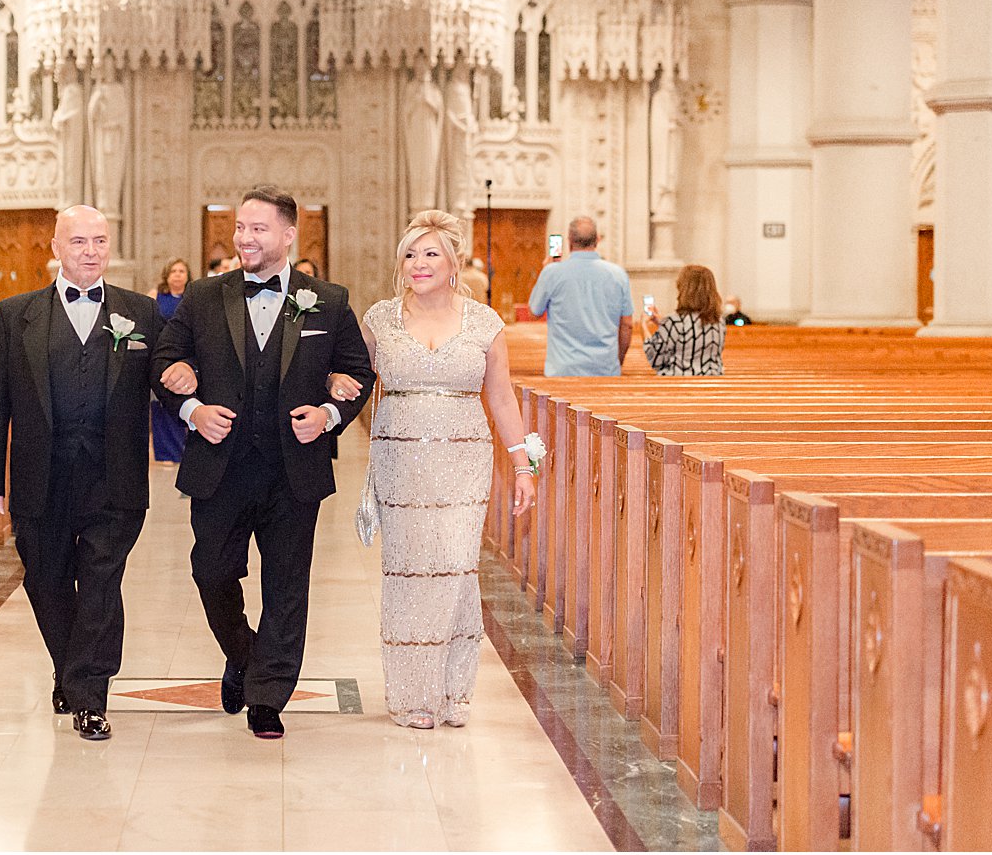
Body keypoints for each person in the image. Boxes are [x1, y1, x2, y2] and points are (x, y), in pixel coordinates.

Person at [152, 185, 375, 740]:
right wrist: (190, 407)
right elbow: (164, 358)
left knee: (287, 585)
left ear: (288, 234)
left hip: (292, 470)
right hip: (219, 467)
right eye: (240, 228)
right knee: (211, 571)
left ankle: (268, 697)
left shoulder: (329, 300)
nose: (244, 238)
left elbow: (358, 373)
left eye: (257, 229)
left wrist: (326, 415)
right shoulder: (204, 297)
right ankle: (242, 653)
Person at [332, 211, 535, 728]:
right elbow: (351, 375)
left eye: (430, 254)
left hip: (465, 459)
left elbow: (504, 399)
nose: (418, 264)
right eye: (409, 254)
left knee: (456, 568)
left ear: (453, 264)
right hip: (400, 461)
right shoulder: (379, 319)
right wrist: (331, 393)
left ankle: (453, 690)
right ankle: (412, 695)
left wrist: (526, 465)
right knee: (408, 573)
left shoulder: (486, 323)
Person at [0, 206, 165, 742]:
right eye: (78, 241)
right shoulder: (14, 316)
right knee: (47, 580)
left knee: (102, 581)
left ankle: (89, 695)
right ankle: (70, 667)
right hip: (42, 476)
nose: (90, 251)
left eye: (100, 240)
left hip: (115, 476)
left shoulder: (141, 314)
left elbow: (170, 380)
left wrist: (197, 406)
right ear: (55, 249)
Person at [526, 215, 634, 376]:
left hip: (564, 369)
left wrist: (547, 272)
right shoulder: (618, 275)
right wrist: (619, 360)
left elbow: (533, 312)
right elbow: (627, 324)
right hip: (605, 368)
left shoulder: (552, 273)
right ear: (597, 240)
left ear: (569, 241)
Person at [643, 265, 727, 376]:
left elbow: (656, 360)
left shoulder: (675, 322)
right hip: (712, 384)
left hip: (679, 385)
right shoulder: (719, 321)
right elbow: (692, 332)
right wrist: (663, 323)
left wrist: (643, 325)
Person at [151, 258, 191, 465]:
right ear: (167, 275)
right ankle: (166, 453)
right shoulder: (155, 296)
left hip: (185, 355)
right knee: (161, 404)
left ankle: (184, 450)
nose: (177, 274)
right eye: (173, 271)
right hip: (161, 352)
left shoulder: (192, 297)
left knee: (185, 402)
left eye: (181, 270)